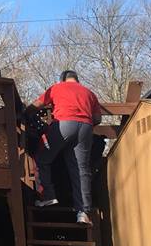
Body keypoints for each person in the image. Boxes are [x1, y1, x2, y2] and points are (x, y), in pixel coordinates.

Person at [30, 70, 103, 225]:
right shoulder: (89, 93)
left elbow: (37, 104)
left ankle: (48, 196)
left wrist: (25, 112)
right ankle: (83, 212)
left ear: (63, 79)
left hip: (63, 124)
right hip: (86, 128)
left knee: (42, 157)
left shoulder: (57, 88)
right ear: (77, 79)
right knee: (81, 169)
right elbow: (97, 118)